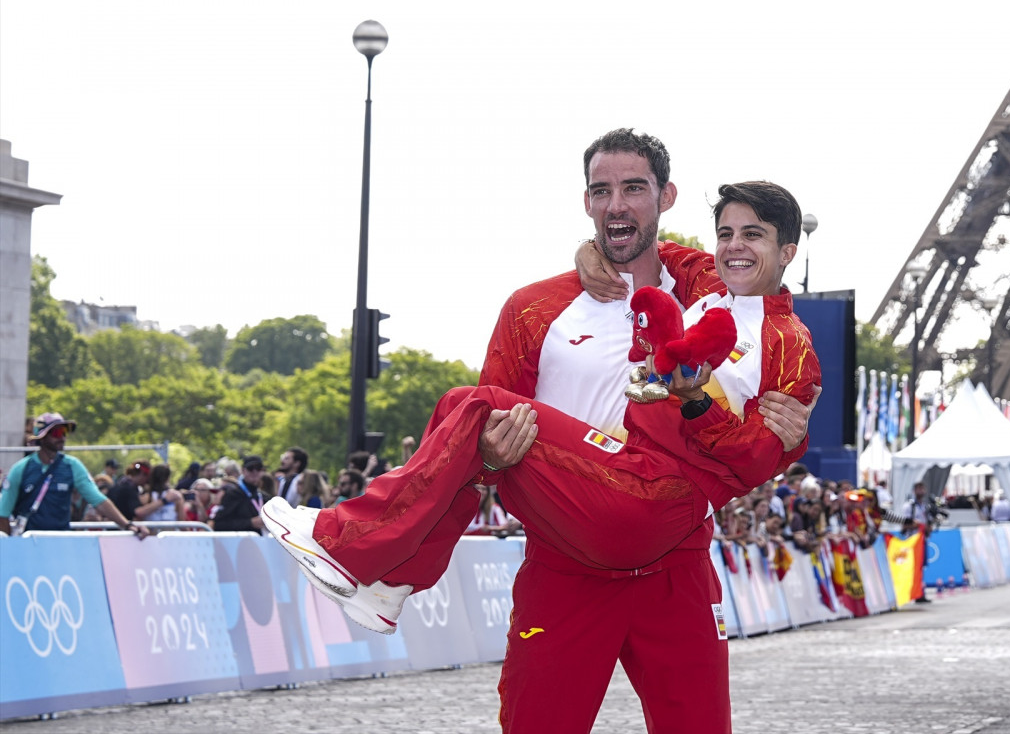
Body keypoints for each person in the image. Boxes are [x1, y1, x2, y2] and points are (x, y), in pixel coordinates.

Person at [264, 132, 816, 733]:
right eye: (602, 192)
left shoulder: (709, 289)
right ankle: (385, 568)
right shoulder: (532, 309)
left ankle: (379, 565)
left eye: (634, 189)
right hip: (567, 561)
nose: (617, 205)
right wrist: (496, 458)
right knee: (473, 414)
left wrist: (791, 433)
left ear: (667, 197)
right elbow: (476, 447)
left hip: (674, 560)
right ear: (586, 202)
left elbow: (758, 391)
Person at [0, 412, 150, 538]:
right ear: (43, 436)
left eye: (64, 432)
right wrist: (8, 547)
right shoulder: (21, 468)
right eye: (57, 433)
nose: (62, 437)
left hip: (61, 542)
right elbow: (3, 512)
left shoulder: (72, 466)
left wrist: (128, 525)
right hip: (29, 544)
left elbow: (98, 500)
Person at [211, 455, 266, 533]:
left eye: (258, 468)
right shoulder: (232, 494)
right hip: (238, 543)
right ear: (243, 471)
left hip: (261, 542)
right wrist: (249, 523)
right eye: (250, 468)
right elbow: (219, 524)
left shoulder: (264, 497)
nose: (255, 472)